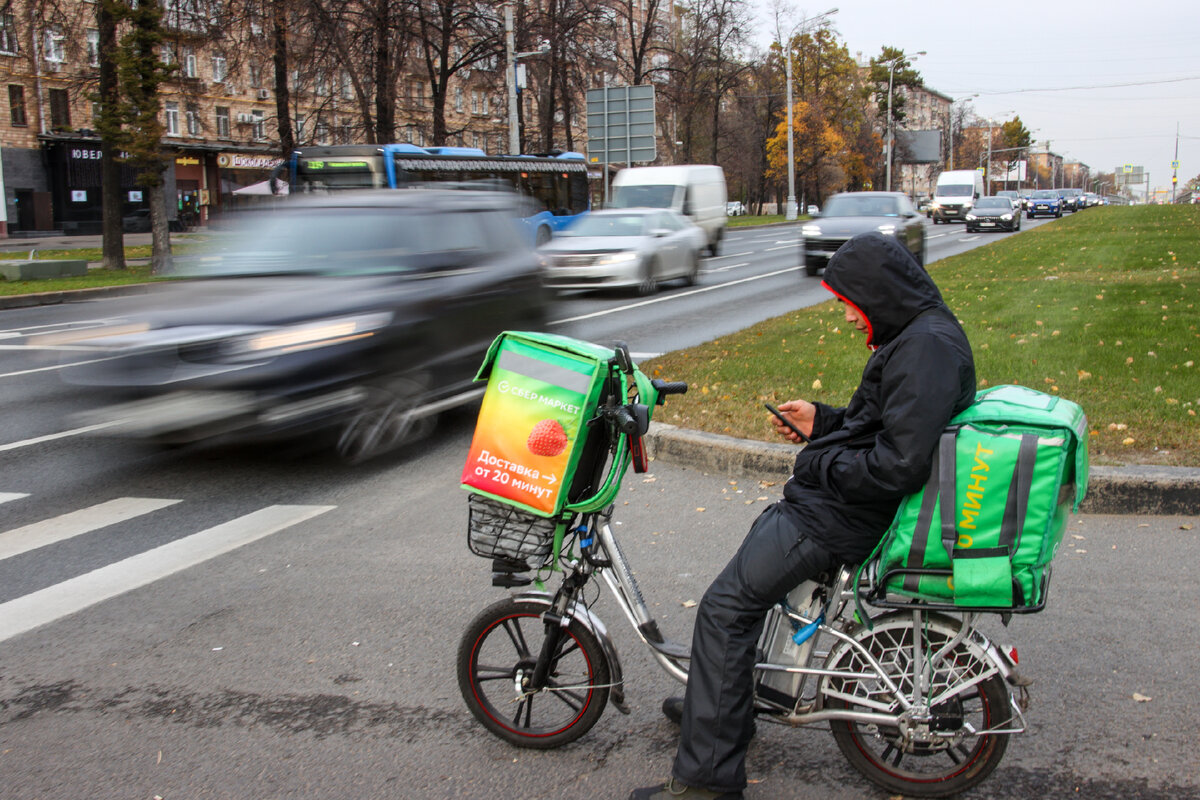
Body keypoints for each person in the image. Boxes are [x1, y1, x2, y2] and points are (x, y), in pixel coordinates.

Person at [629, 231, 976, 800]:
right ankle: (718, 710)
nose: (844, 317)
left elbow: (896, 466)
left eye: (847, 303)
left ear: (875, 295)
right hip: (835, 506)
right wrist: (825, 421)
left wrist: (819, 462)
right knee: (739, 600)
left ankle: (708, 780)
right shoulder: (919, 335)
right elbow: (883, 427)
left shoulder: (926, 347)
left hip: (839, 517)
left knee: (725, 609)